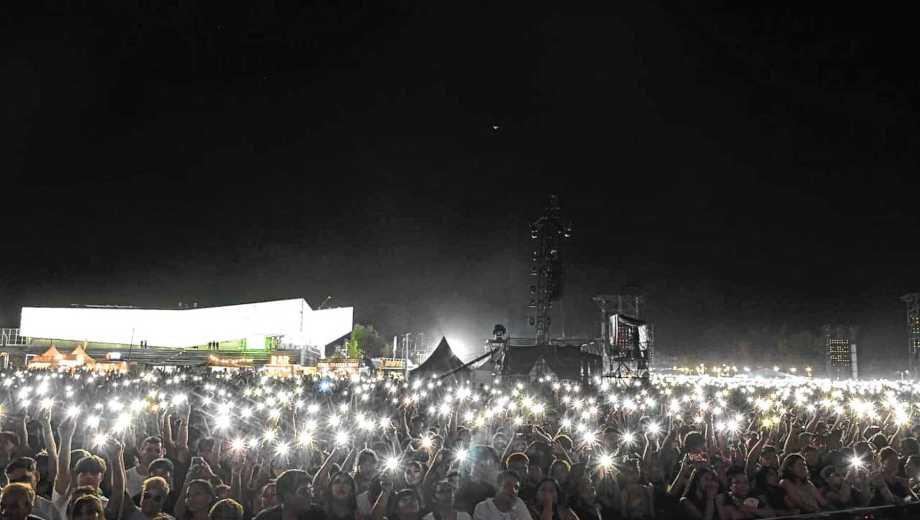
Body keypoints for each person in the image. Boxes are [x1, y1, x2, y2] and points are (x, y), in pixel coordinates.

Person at [253, 470, 318, 520]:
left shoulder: (317, 514)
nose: (311, 496)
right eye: (304, 492)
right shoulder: (265, 518)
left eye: (310, 491)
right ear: (286, 495)